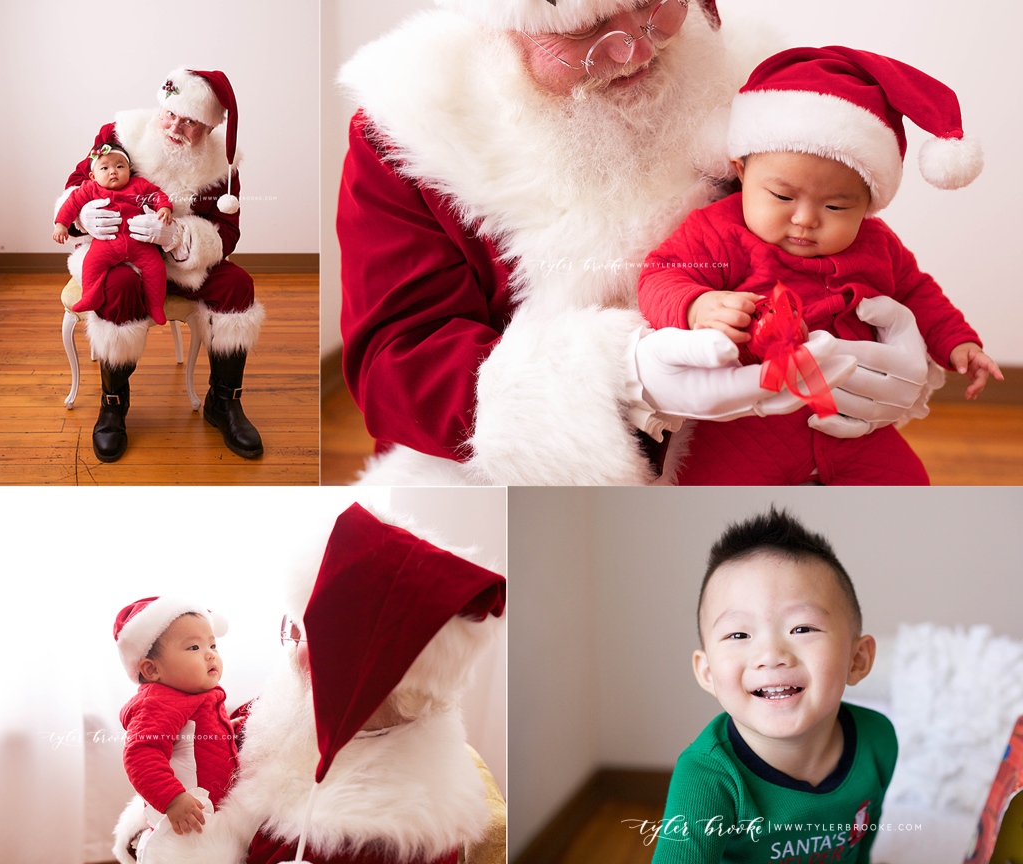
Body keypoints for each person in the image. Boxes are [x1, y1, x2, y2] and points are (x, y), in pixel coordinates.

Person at [337, 0, 941, 486]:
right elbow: (394, 360)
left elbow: (817, 226)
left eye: (655, 4)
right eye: (589, 29)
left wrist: (896, 335)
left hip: (772, 438)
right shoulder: (411, 128)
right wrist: (617, 379)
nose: (639, 50)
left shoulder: (749, 74)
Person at [638, 46, 1002, 485]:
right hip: (749, 424)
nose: (805, 219)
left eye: (835, 205)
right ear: (741, 168)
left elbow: (917, 291)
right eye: (782, 197)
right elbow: (660, 274)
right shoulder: (721, 231)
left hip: (857, 423)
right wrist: (696, 305)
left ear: (868, 203)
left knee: (909, 482)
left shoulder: (877, 245)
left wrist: (959, 341)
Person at [111, 504, 507, 864]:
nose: (292, 648)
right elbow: (213, 743)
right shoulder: (293, 705)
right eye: (294, 626)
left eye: (306, 632)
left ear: (357, 664)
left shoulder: (366, 842)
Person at [651, 507, 895, 862]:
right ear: (707, 672)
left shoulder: (878, 740)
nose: (771, 654)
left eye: (802, 628)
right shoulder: (707, 778)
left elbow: (863, 842)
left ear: (857, 660)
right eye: (738, 634)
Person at [57, 67, 265, 462]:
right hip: (119, 257)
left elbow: (228, 232)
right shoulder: (119, 135)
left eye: (190, 122)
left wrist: (180, 237)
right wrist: (84, 217)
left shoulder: (223, 164)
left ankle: (224, 402)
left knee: (238, 285)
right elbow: (76, 183)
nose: (175, 126)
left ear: (210, 126)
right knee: (117, 288)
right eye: (171, 113)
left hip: (180, 264)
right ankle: (113, 404)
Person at [113, 597, 237, 862]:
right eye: (194, 647)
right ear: (152, 669)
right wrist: (172, 799)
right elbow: (141, 754)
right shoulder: (158, 702)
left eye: (212, 644)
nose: (210, 653)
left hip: (211, 820)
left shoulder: (199, 695)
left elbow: (200, 737)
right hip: (182, 824)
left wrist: (230, 731)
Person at [54, 144, 173, 326]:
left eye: (119, 166)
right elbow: (72, 203)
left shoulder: (139, 185)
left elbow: (156, 194)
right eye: (105, 168)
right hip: (107, 242)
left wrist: (164, 207)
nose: (113, 172)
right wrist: (61, 224)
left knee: (156, 268)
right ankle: (91, 296)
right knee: (92, 264)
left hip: (139, 242)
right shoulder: (90, 188)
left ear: (129, 171)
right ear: (93, 176)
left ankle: (155, 306)